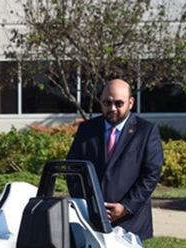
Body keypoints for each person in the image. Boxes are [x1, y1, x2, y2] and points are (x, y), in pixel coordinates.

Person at [67, 79, 164, 239]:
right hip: (91, 220)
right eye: (107, 102)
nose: (112, 108)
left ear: (131, 103)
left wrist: (126, 207)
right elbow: (73, 170)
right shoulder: (87, 130)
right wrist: (87, 204)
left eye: (119, 103)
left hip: (131, 222)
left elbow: (151, 175)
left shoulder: (146, 131)